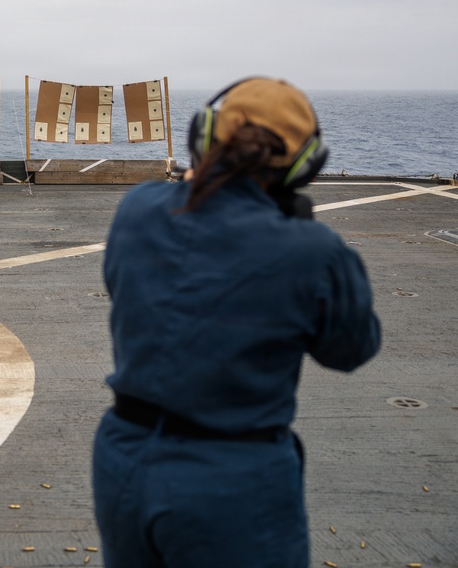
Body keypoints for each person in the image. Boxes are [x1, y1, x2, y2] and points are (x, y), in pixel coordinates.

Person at [92, 77, 380, 567]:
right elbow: (351, 348)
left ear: (203, 137)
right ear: (306, 166)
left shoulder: (137, 210)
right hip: (234, 479)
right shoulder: (314, 252)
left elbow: (128, 288)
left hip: (124, 459)